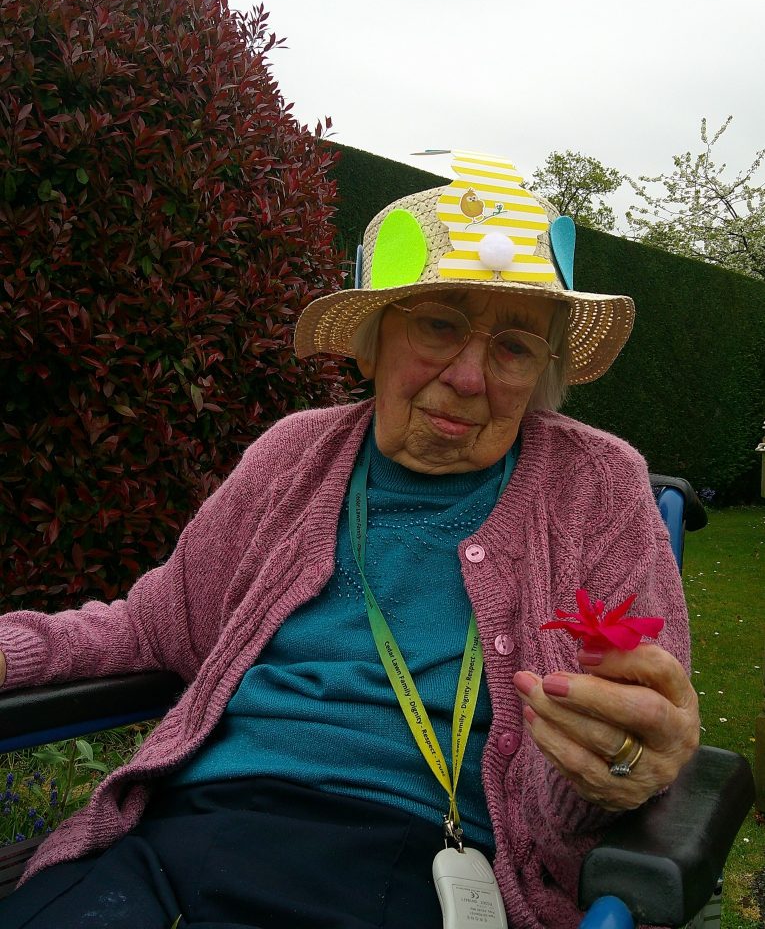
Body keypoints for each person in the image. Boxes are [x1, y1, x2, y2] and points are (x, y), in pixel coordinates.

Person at [0, 156, 699, 929]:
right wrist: (14, 650)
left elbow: (626, 729)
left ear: (541, 372)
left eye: (512, 346)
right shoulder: (291, 453)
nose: (469, 376)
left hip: (414, 864)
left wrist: (621, 762)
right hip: (181, 835)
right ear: (370, 342)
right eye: (438, 323)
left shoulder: (597, 486)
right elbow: (151, 626)